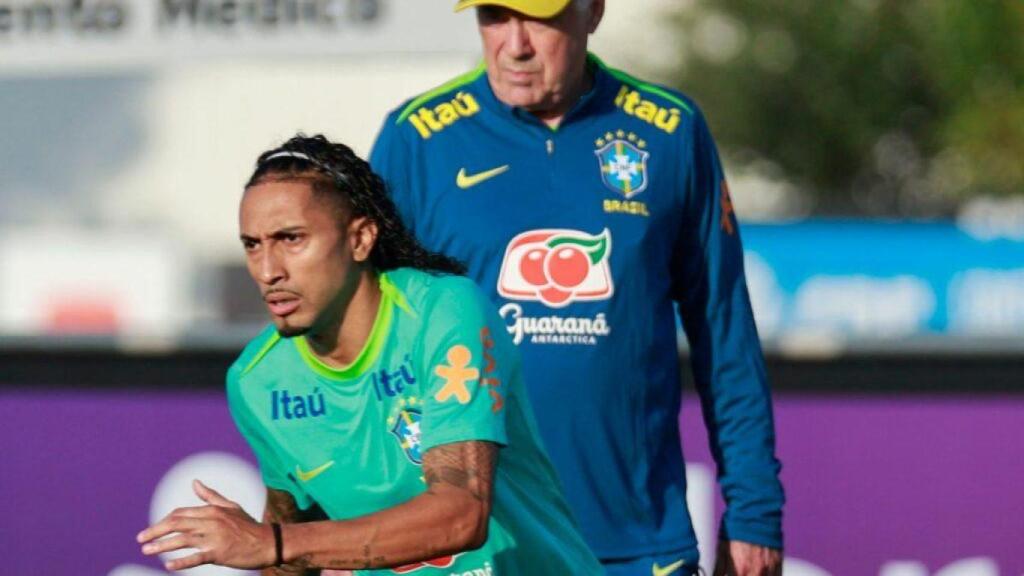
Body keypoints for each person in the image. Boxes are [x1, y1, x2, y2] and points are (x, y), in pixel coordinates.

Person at [368, 1, 785, 575]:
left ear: (593, 11)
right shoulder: (418, 139)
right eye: (493, 15)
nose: (514, 44)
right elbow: (370, 348)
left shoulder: (669, 132)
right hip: (478, 548)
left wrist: (754, 513)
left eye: (537, 18)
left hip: (638, 545)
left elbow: (725, 336)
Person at [136, 134, 603, 574]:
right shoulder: (257, 380)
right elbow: (292, 542)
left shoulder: (442, 310)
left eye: (291, 239)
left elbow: (462, 516)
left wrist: (272, 541)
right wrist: (270, 545)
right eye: (252, 246)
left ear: (360, 239)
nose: (268, 270)